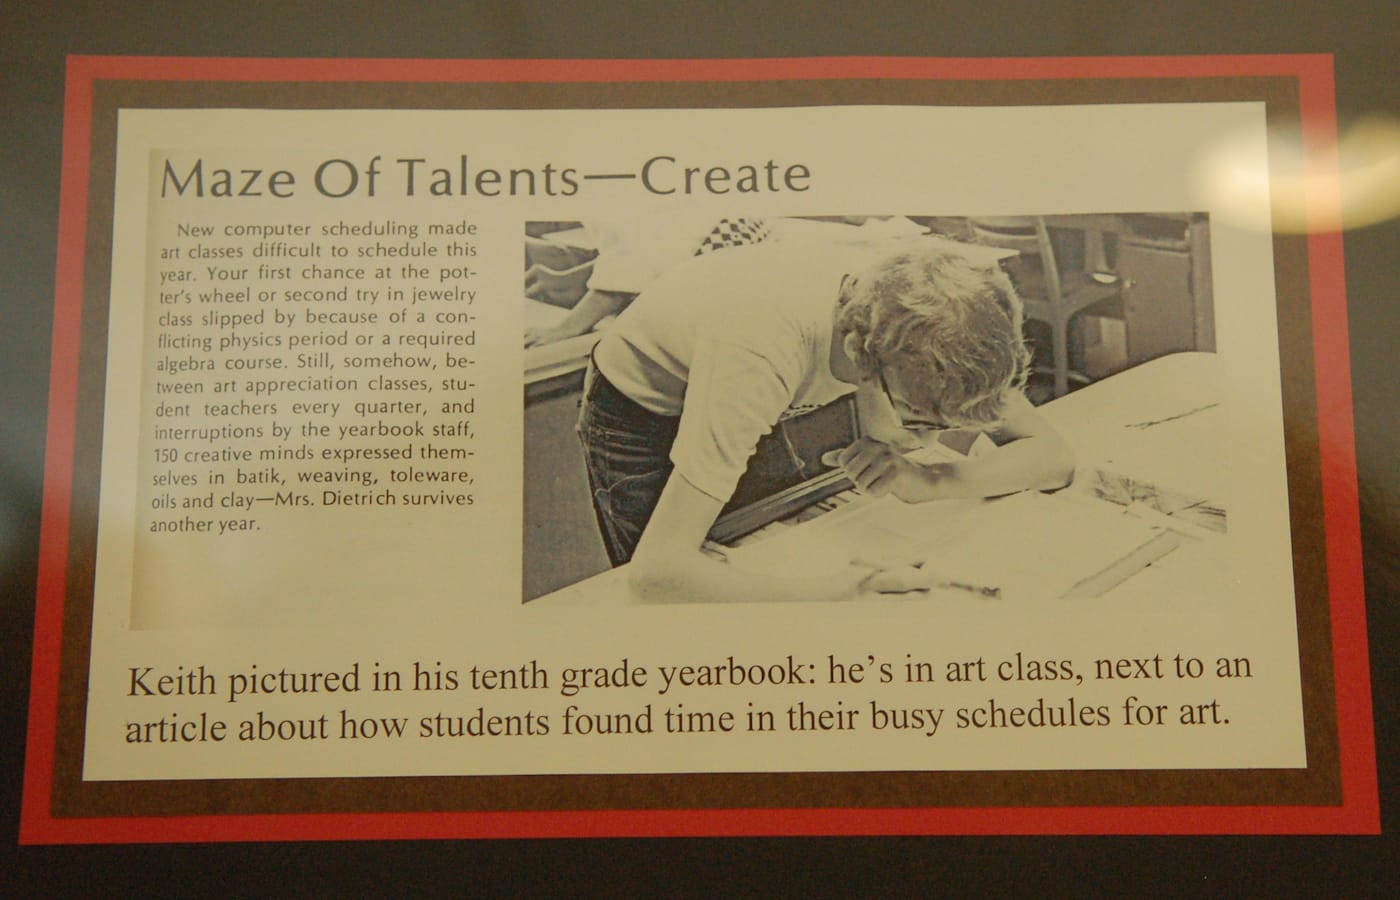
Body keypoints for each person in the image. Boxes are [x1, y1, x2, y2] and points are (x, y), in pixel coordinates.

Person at [578, 239, 1075, 603]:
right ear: (861, 358)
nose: (925, 440)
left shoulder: (933, 321)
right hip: (642, 405)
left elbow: (1053, 457)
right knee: (681, 607)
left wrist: (931, 480)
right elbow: (658, 573)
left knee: (757, 545)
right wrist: (836, 596)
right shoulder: (761, 358)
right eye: (916, 419)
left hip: (748, 360)